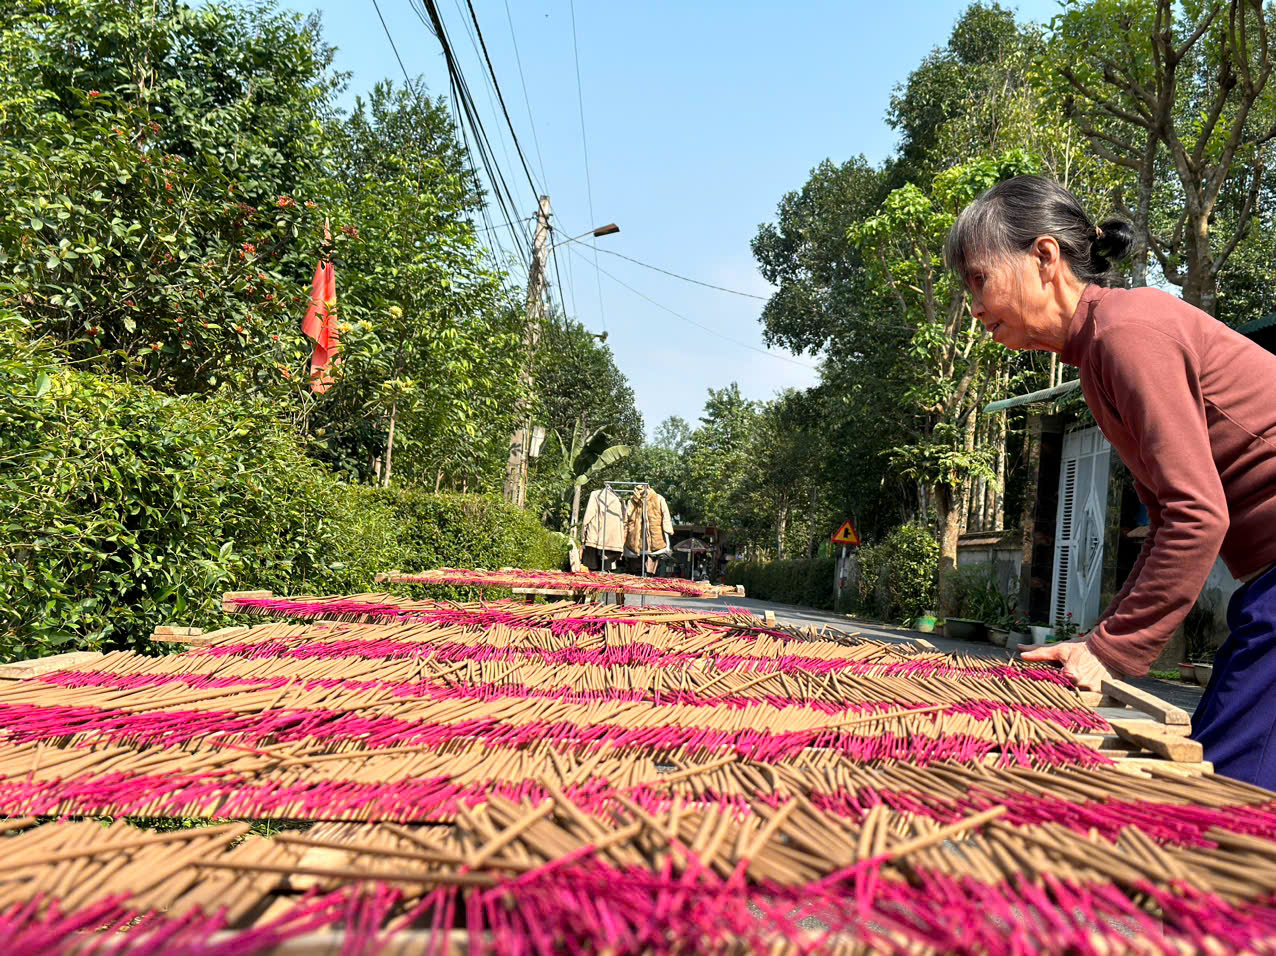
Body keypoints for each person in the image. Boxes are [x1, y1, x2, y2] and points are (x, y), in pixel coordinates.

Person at [944, 175, 1276, 788]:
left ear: (1044, 257)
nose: (975, 307)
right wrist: (1097, 644)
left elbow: (1198, 517)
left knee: (1226, 782)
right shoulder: (1096, 355)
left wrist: (1107, 652)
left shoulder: (1128, 334)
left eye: (979, 279)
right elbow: (1164, 521)